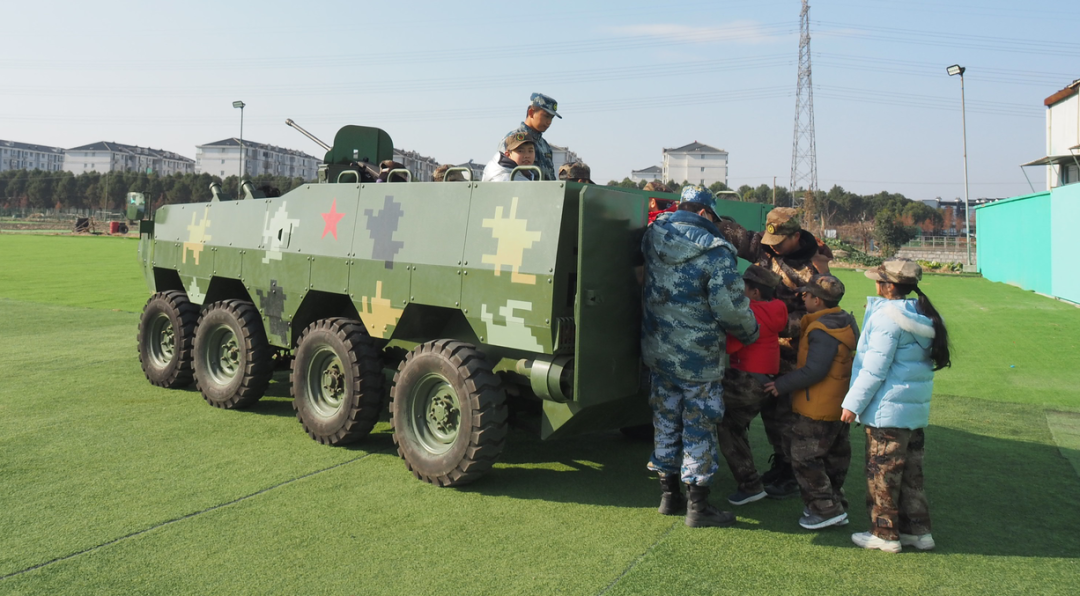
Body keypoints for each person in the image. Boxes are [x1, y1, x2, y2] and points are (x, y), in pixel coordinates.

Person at [641, 185, 760, 528]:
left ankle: (668, 496)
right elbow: (731, 310)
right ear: (707, 214)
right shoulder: (717, 252)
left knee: (665, 419)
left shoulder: (654, 235)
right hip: (699, 358)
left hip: (658, 349)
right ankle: (698, 506)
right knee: (699, 425)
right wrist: (751, 331)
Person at [713, 207, 834, 498]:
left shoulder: (815, 268)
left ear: (796, 236)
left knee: (784, 418)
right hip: (763, 349)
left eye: (779, 240)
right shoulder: (765, 246)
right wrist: (705, 218)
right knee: (766, 413)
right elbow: (734, 233)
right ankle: (782, 467)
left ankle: (790, 471)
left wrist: (770, 323)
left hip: (791, 353)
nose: (773, 245)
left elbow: (818, 315)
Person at [840, 259, 950, 553]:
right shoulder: (923, 314)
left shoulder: (887, 318)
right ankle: (918, 532)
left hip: (887, 415)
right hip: (913, 414)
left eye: (878, 280)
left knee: (882, 475)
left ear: (887, 286)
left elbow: (874, 369)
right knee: (912, 476)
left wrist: (852, 404)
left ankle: (884, 534)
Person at [763, 274, 858, 530]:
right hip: (838, 402)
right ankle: (834, 502)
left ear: (817, 300)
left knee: (804, 457)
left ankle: (824, 509)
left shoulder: (821, 330)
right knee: (835, 455)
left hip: (817, 405)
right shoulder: (843, 320)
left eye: (806, 294)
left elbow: (815, 370)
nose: (801, 297)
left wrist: (780, 385)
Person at [716, 265, 787, 507]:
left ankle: (747, 484)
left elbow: (731, 347)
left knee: (699, 401)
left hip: (745, 381)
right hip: (764, 381)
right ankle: (752, 484)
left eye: (743, 287)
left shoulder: (748, 313)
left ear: (755, 292)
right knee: (731, 426)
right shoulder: (777, 308)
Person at [498, 92, 560, 181]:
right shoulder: (512, 139)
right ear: (531, 112)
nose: (549, 122)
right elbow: (504, 175)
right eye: (546, 116)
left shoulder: (544, 145)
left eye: (551, 118)